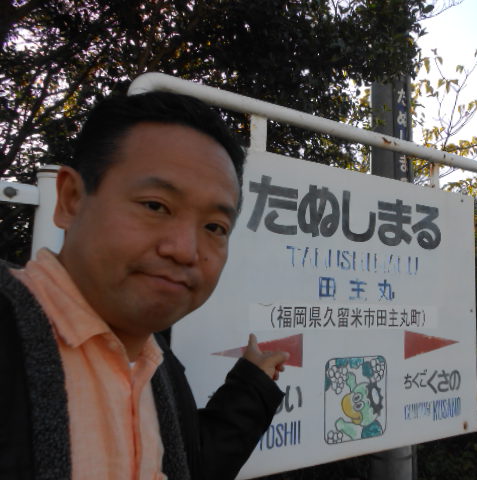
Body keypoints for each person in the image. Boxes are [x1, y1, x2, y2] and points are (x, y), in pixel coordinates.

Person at [0, 91, 289, 480]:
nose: (185, 250)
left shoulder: (157, 367)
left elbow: (193, 465)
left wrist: (252, 382)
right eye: (155, 206)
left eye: (214, 227)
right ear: (71, 199)